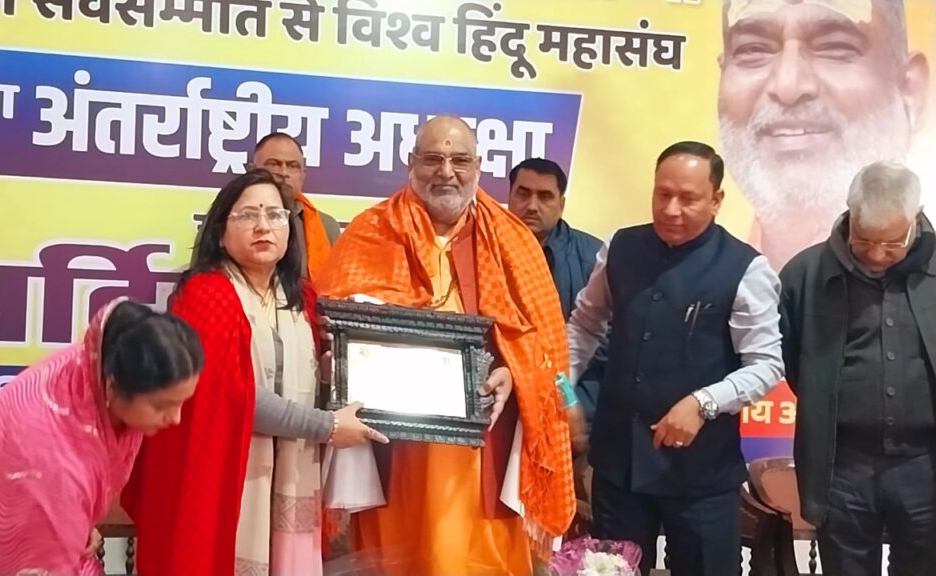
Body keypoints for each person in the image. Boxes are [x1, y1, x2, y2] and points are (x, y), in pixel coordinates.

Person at [316, 115, 576, 575]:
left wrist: (512, 374)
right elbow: (330, 326)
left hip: (482, 446)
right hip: (393, 448)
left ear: (478, 166)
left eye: (460, 160)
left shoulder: (513, 240)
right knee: (396, 557)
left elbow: (544, 346)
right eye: (433, 159)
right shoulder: (372, 231)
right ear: (411, 162)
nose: (446, 172)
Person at [122, 169, 385, 576]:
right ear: (220, 232)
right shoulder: (206, 294)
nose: (263, 226)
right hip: (220, 481)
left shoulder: (303, 297)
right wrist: (328, 426)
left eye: (275, 215)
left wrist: (336, 374)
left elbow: (307, 381)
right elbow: (235, 395)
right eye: (247, 215)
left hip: (289, 475)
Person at [567, 141, 784, 576]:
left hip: (702, 476)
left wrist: (704, 403)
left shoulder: (745, 268)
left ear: (716, 200)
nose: (671, 209)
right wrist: (564, 388)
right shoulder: (621, 247)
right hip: (619, 467)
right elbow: (584, 325)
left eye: (688, 199)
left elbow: (766, 364)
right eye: (662, 194)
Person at [0, 299, 203, 575]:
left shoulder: (96, 362)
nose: (175, 418)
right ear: (112, 387)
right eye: (161, 406)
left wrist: (76, 523)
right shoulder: (52, 464)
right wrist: (66, 523)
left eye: (181, 403)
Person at [779, 161, 936, 575]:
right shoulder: (805, 274)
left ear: (916, 218)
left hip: (925, 465)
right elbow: (795, 364)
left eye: (892, 243)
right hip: (842, 465)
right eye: (864, 240)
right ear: (849, 217)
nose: (877, 254)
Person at [718, 0, 929, 269]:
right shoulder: (720, 276)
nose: (788, 85)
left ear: (910, 90)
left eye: (835, 47)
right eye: (753, 49)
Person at [507, 157, 605, 426]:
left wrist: (575, 403)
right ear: (509, 197)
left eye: (545, 197)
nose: (532, 206)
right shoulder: (484, 250)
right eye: (523, 194)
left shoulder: (593, 258)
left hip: (571, 406)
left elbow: (605, 344)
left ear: (561, 204)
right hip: (502, 397)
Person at [249, 132, 342, 281]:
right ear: (252, 170)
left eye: (293, 166)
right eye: (273, 164)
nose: (284, 173)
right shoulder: (231, 220)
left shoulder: (326, 227)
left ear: (303, 175)